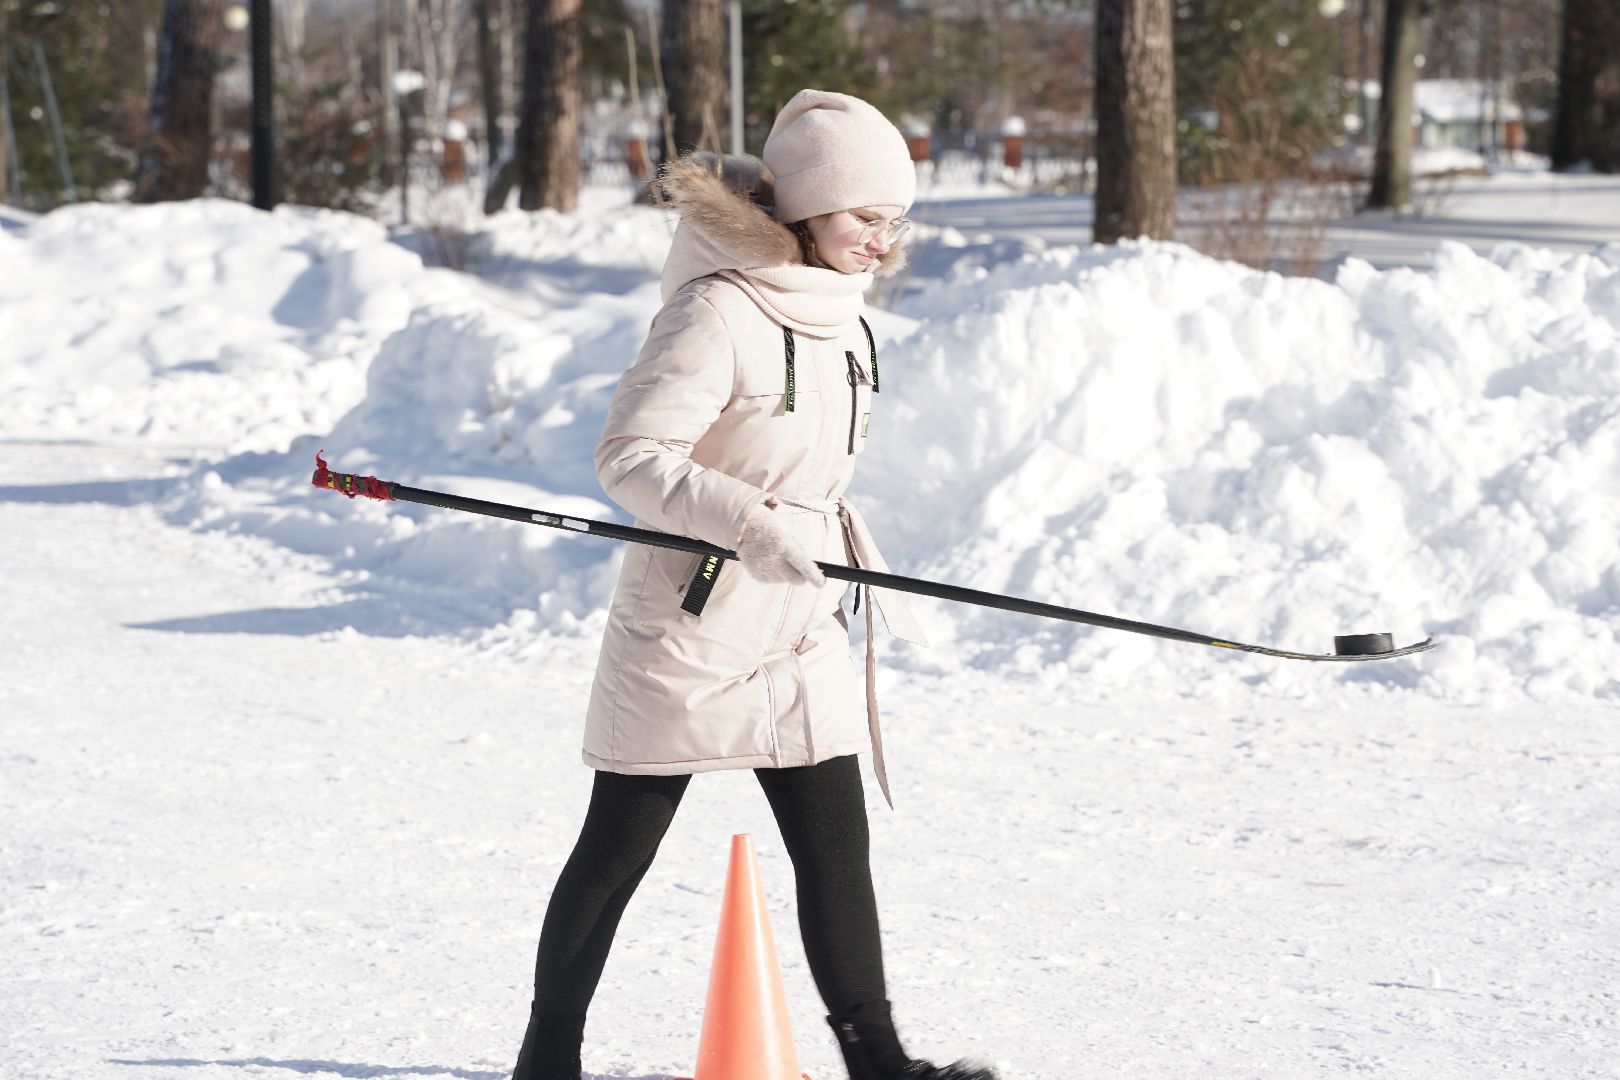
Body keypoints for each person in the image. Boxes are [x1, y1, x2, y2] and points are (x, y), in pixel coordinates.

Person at [510, 90, 998, 1080]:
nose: (884, 240)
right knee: (618, 847)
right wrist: (748, 521)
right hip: (694, 612)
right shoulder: (717, 309)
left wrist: (806, 536)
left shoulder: (847, 317)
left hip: (800, 610)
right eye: (866, 216)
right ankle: (546, 1060)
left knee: (835, 845)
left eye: (896, 220)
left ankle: (880, 1063)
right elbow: (630, 456)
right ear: (809, 206)